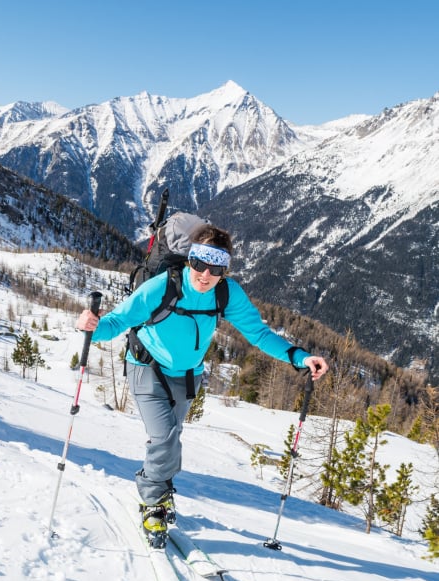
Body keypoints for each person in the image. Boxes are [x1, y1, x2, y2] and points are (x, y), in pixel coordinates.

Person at [77, 224, 328, 548]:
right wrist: (89, 326)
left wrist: (300, 357)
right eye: (199, 263)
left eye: (216, 267)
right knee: (165, 438)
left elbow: (259, 334)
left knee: (171, 438)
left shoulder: (227, 293)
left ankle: (160, 490)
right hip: (146, 367)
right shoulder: (160, 288)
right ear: (189, 260)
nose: (205, 274)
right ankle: (153, 502)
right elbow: (116, 322)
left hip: (188, 374)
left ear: (225, 270)